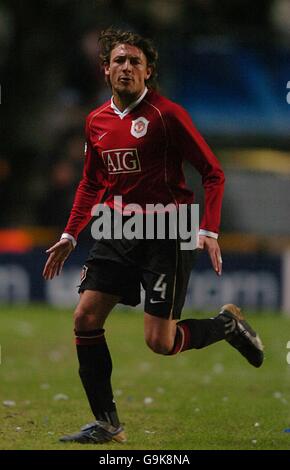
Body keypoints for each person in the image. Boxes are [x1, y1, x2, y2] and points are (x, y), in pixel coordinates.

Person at [43, 28, 264, 445]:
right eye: (120, 61)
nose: (127, 68)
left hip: (168, 232)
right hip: (118, 229)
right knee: (85, 317)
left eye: (135, 62)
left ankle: (228, 325)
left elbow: (213, 172)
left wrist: (209, 229)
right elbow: (91, 184)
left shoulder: (168, 115)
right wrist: (70, 235)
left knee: (160, 342)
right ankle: (108, 424)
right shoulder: (96, 121)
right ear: (105, 70)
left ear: (148, 72)